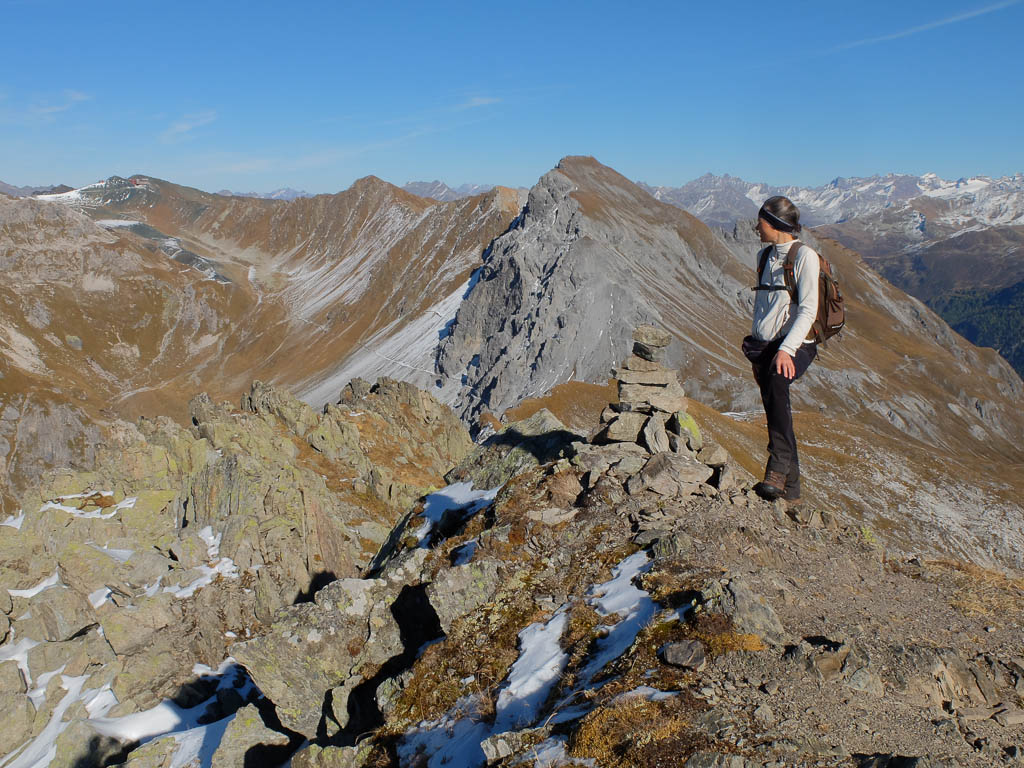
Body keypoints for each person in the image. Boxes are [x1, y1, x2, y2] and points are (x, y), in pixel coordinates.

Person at [742, 196, 819, 506]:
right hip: (766, 345)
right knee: (778, 410)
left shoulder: (804, 257)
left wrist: (786, 350)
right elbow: (764, 307)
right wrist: (759, 347)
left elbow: (809, 309)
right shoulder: (764, 256)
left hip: (796, 344)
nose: (755, 227)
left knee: (777, 384)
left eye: (760, 221)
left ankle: (776, 469)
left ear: (775, 224)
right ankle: (793, 492)